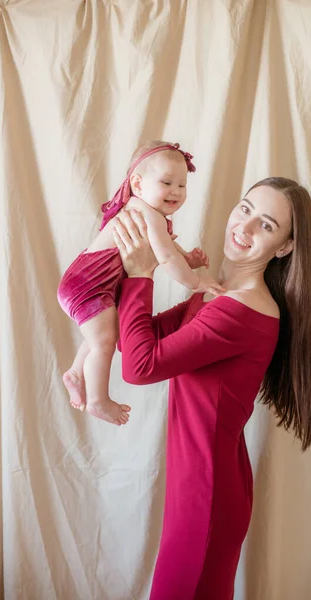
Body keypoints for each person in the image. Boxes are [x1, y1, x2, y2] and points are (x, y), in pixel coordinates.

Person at [112, 177, 311, 600]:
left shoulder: (241, 311)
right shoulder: (217, 295)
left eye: (266, 225)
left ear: (284, 247)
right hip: (200, 487)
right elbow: (134, 339)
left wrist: (141, 273)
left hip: (205, 496)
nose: (243, 229)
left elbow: (139, 366)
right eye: (245, 209)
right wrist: (135, 270)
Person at [57, 141, 223, 425]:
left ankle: (75, 372)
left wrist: (189, 257)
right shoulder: (149, 215)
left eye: (182, 185)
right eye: (167, 182)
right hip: (87, 286)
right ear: (138, 183)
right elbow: (167, 258)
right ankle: (97, 400)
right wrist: (197, 282)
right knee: (105, 341)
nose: (175, 191)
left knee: (105, 331)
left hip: (86, 282)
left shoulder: (146, 212)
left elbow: (170, 250)